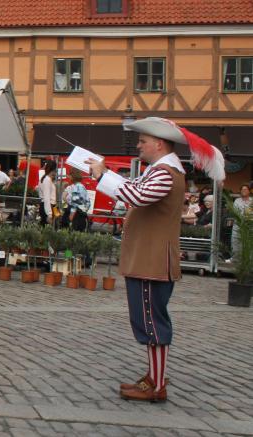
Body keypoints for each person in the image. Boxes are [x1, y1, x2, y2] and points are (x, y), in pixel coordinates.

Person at [87, 116, 225, 402]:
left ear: (159, 144)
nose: (139, 145)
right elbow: (134, 190)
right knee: (148, 321)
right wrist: (105, 175)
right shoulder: (161, 169)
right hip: (147, 258)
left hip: (152, 261)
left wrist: (102, 175)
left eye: (143, 141)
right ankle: (153, 378)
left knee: (153, 324)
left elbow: (136, 196)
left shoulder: (165, 173)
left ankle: (158, 385)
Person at [231, 185, 252, 260]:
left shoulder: (252, 201)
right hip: (238, 226)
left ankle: (248, 262)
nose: (244, 191)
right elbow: (234, 212)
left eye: (246, 189)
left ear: (249, 191)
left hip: (249, 227)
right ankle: (235, 261)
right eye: (242, 189)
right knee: (236, 244)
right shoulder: (237, 200)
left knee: (248, 244)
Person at [38, 161, 58, 226]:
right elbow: (47, 197)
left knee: (54, 226)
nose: (56, 172)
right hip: (48, 206)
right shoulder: (47, 180)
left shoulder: (46, 179)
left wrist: (56, 212)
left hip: (51, 206)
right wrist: (49, 214)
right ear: (53, 170)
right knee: (48, 230)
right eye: (56, 170)